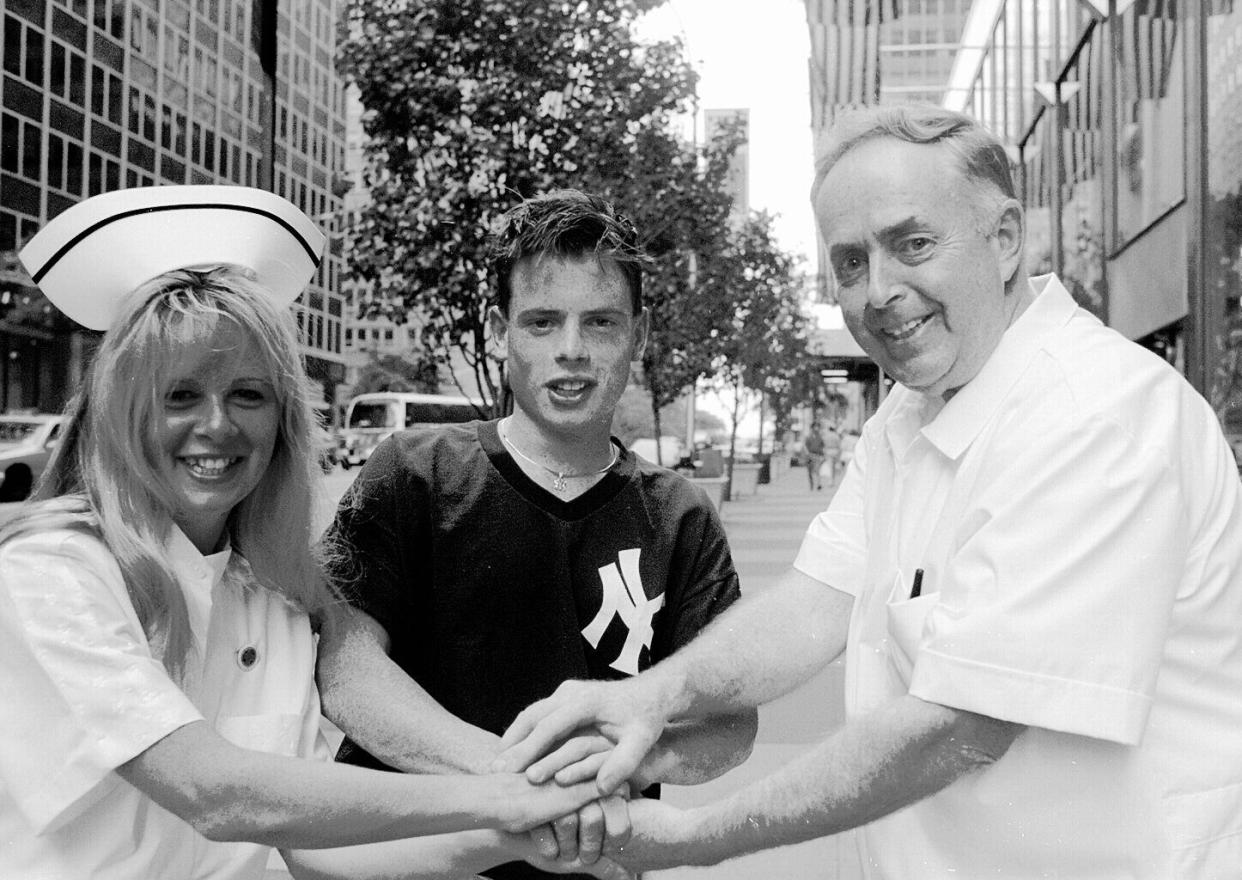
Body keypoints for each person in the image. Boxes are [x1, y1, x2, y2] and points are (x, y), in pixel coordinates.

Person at [495, 104, 1242, 879]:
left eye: (912, 244)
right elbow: (817, 602)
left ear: (1007, 238)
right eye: (850, 263)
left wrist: (695, 836)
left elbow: (959, 726)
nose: (880, 291)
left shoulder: (1095, 419)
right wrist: (650, 697)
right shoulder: (911, 414)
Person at [1, 185, 621, 880]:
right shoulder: (51, 574)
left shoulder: (278, 594)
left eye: (247, 394)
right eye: (179, 395)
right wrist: (507, 796)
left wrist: (534, 843)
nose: (217, 425)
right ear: (121, 408)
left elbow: (318, 845)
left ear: (284, 419)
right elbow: (217, 792)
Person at [316, 189, 757, 879]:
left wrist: (627, 762)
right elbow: (347, 673)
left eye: (601, 324)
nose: (572, 351)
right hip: (408, 862)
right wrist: (518, 781)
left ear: (639, 336)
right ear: (501, 331)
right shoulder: (416, 473)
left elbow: (730, 721)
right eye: (543, 322)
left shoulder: (680, 516)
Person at [801, 422, 825, 490]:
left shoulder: (820, 437)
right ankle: (812, 484)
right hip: (810, 456)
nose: (816, 428)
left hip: (817, 456)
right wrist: (807, 453)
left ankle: (818, 484)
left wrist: (823, 456)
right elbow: (805, 446)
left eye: (818, 427)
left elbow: (823, 446)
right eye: (815, 427)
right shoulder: (808, 436)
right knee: (810, 472)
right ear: (812, 428)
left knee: (817, 470)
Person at [820, 422, 842, 486]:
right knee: (833, 467)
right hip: (835, 451)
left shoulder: (826, 436)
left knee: (830, 466)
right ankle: (832, 480)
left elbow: (823, 444)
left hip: (828, 451)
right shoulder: (836, 436)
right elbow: (839, 445)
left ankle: (830, 480)